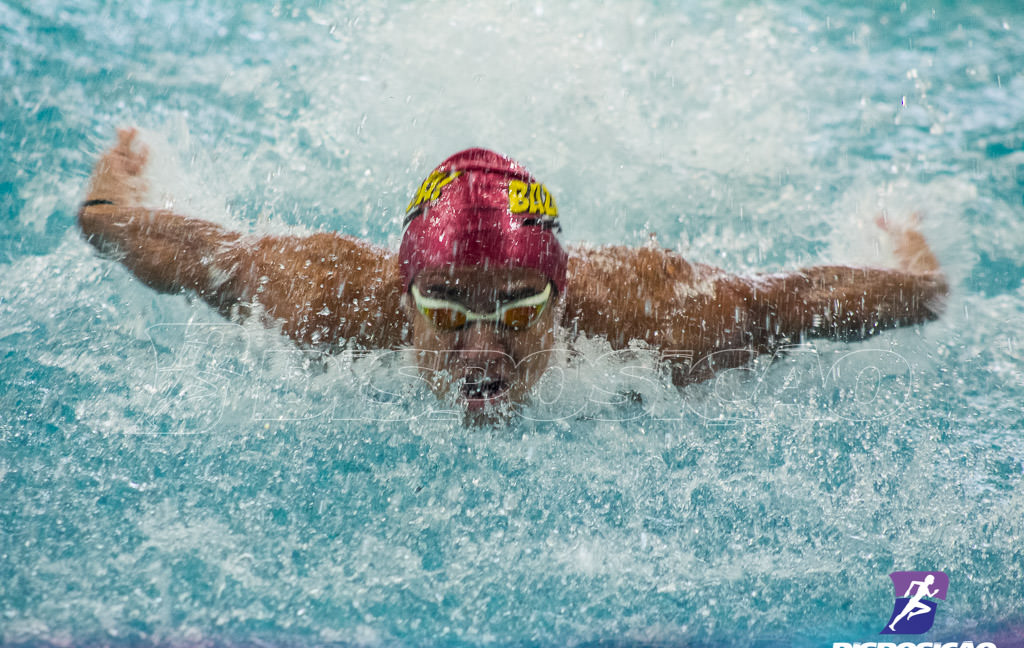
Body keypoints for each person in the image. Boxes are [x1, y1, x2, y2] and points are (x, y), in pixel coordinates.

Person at [78, 129, 948, 414]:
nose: (483, 347)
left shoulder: (661, 317)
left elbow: (792, 303)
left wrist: (916, 274)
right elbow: (129, 233)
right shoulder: (318, 299)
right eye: (447, 310)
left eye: (522, 306)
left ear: (563, 299)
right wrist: (118, 187)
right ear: (400, 291)